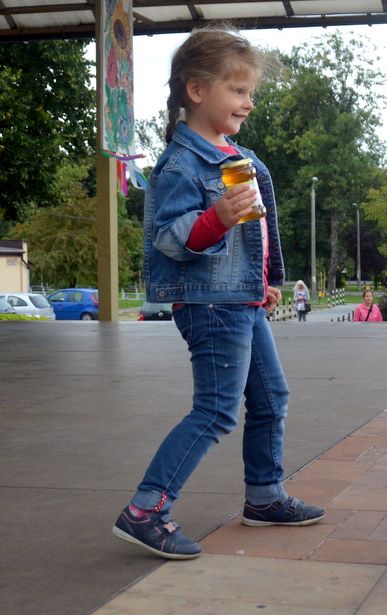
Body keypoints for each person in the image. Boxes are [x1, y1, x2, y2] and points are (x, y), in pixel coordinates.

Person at [112, 28, 325, 561]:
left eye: (250, 92)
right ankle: (146, 509)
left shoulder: (235, 155)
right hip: (209, 302)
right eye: (237, 90)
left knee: (271, 397)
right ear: (196, 90)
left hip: (240, 298)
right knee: (215, 410)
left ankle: (264, 495)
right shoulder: (182, 164)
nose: (248, 102)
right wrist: (214, 219)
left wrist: (267, 280)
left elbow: (260, 227)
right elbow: (169, 236)